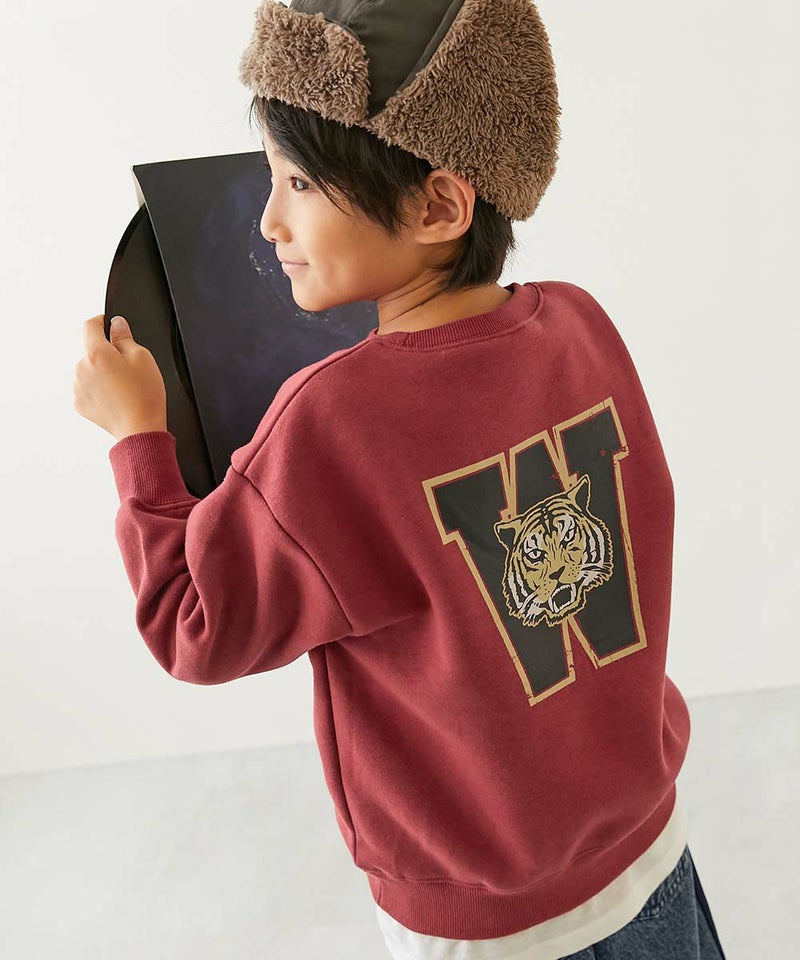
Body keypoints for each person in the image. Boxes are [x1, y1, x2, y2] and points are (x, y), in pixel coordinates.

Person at [92, 2, 729, 957]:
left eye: (298, 182)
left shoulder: (328, 420)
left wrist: (138, 438)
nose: (268, 221)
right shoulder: (583, 325)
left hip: (489, 924)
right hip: (650, 849)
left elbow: (193, 625)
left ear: (438, 206)